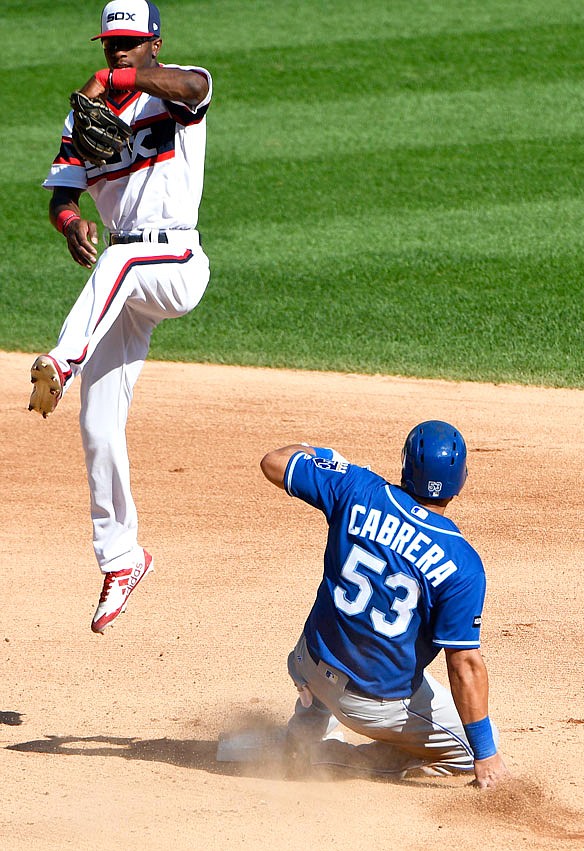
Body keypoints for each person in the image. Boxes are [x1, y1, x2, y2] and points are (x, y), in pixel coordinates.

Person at [28, 0, 212, 634]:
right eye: (111, 44)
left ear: (154, 44)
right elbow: (61, 193)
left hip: (177, 260)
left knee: (122, 260)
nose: (119, 51)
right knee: (99, 423)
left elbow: (196, 88)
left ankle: (62, 358)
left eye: (131, 42)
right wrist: (72, 222)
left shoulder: (179, 90)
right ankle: (121, 559)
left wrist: (120, 83)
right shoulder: (85, 116)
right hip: (127, 276)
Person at [260, 421, 510, 788]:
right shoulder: (462, 565)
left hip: (307, 662)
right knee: (469, 746)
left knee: (342, 650)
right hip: (368, 705)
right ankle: (324, 760)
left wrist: (325, 457)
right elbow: (464, 666)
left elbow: (274, 462)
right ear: (461, 481)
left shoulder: (358, 487)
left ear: (406, 468)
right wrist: (485, 755)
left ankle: (305, 725)